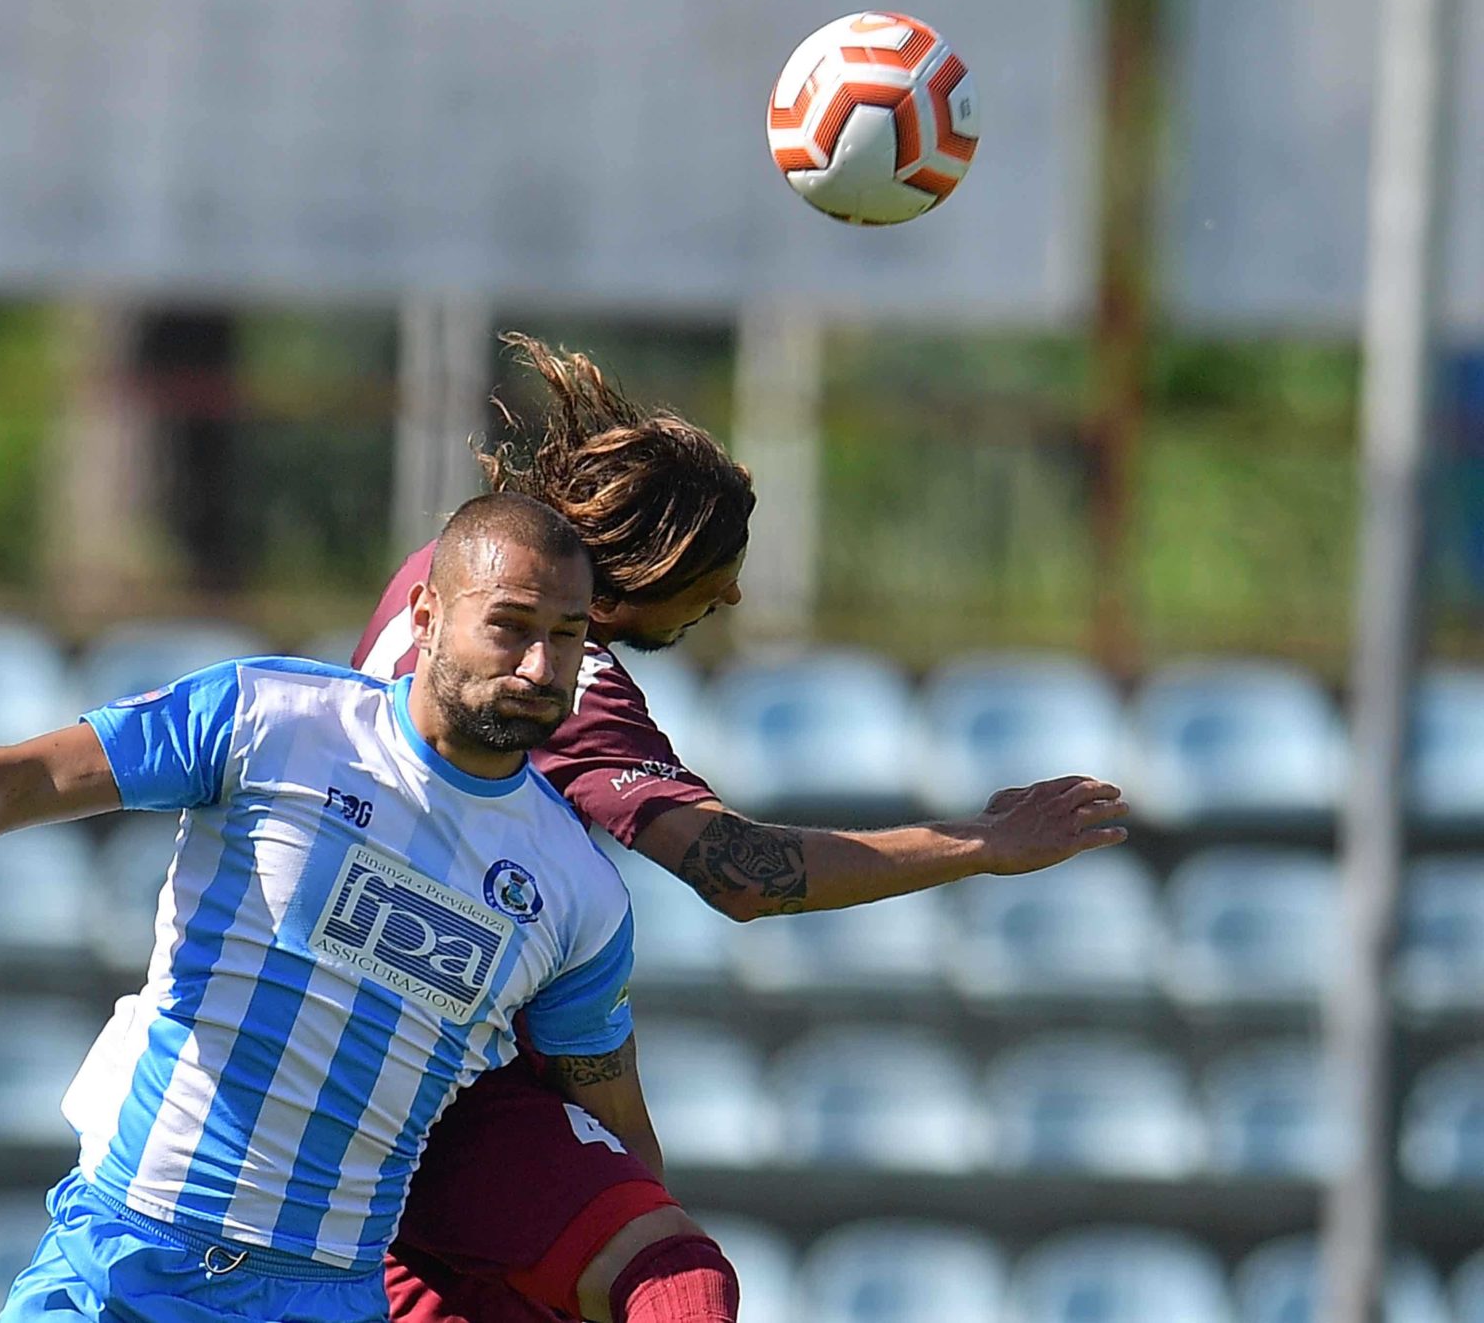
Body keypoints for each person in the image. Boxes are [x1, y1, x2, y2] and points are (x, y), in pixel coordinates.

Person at [0, 492, 738, 1323]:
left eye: (566, 637)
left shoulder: (578, 894)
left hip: (325, 1293)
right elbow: (24, 777)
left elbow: (609, 1118)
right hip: (131, 1252)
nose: (540, 666)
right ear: (425, 615)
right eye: (509, 627)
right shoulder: (271, 721)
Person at [357, 335, 1130, 1323]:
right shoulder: (567, 683)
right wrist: (979, 844)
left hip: (373, 1044)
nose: (727, 596)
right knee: (675, 1285)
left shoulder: (443, 579)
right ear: (642, 569)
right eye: (714, 572)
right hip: (450, 1078)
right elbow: (743, 871)